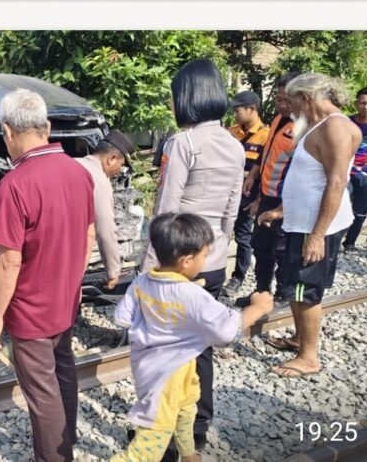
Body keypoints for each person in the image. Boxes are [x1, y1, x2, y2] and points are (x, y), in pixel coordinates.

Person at [0, 89, 95, 462]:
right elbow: (88, 234)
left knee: (41, 392)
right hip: (67, 299)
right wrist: (74, 285)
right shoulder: (79, 172)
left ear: (8, 132)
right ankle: (68, 439)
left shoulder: (15, 184)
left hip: (31, 311)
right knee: (63, 371)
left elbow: (9, 261)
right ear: (45, 127)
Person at [140, 59, 244, 456]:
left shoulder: (183, 144)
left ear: (187, 97)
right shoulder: (234, 144)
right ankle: (198, 427)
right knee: (200, 350)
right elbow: (233, 210)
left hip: (176, 265)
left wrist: (150, 268)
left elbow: (167, 212)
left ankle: (165, 437)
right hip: (213, 261)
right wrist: (217, 251)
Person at [112, 213, 273, 462]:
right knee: (149, 443)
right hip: (169, 376)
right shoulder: (192, 294)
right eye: (204, 255)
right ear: (186, 261)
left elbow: (121, 318)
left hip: (157, 367)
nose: (205, 260)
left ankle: (187, 454)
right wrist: (258, 308)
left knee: (186, 409)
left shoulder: (141, 282)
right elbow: (226, 330)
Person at [258, 73, 360, 378]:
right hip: (300, 222)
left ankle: (308, 357)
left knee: (304, 290)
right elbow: (308, 179)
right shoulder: (317, 125)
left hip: (315, 228)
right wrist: (280, 209)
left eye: (290, 102)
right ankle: (300, 340)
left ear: (306, 97)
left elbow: (337, 182)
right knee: (294, 286)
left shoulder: (336, 128)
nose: (288, 109)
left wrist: (316, 235)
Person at [235, 73, 300, 308]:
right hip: (267, 196)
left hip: (287, 201)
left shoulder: (304, 128)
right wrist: (253, 175)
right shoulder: (277, 120)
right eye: (278, 99)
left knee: (282, 250)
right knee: (261, 246)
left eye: (287, 100)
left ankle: (283, 295)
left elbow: (303, 173)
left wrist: (283, 208)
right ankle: (261, 292)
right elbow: (267, 151)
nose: (282, 105)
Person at [74, 129, 134, 290]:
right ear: (111, 158)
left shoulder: (73, 163)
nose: (118, 172)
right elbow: (105, 230)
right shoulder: (98, 179)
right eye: (121, 165)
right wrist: (113, 272)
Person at [222, 91, 269, 295]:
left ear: (252, 109)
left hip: (248, 194)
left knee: (243, 237)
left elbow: (266, 170)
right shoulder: (230, 132)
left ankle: (237, 277)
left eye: (238, 110)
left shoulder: (266, 136)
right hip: (224, 191)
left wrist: (259, 199)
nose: (235, 114)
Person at [343, 86, 367, 251]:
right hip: (346, 173)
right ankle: (333, 241)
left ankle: (350, 242)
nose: (366, 107)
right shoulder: (345, 123)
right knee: (340, 204)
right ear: (356, 103)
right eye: (363, 103)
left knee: (361, 211)